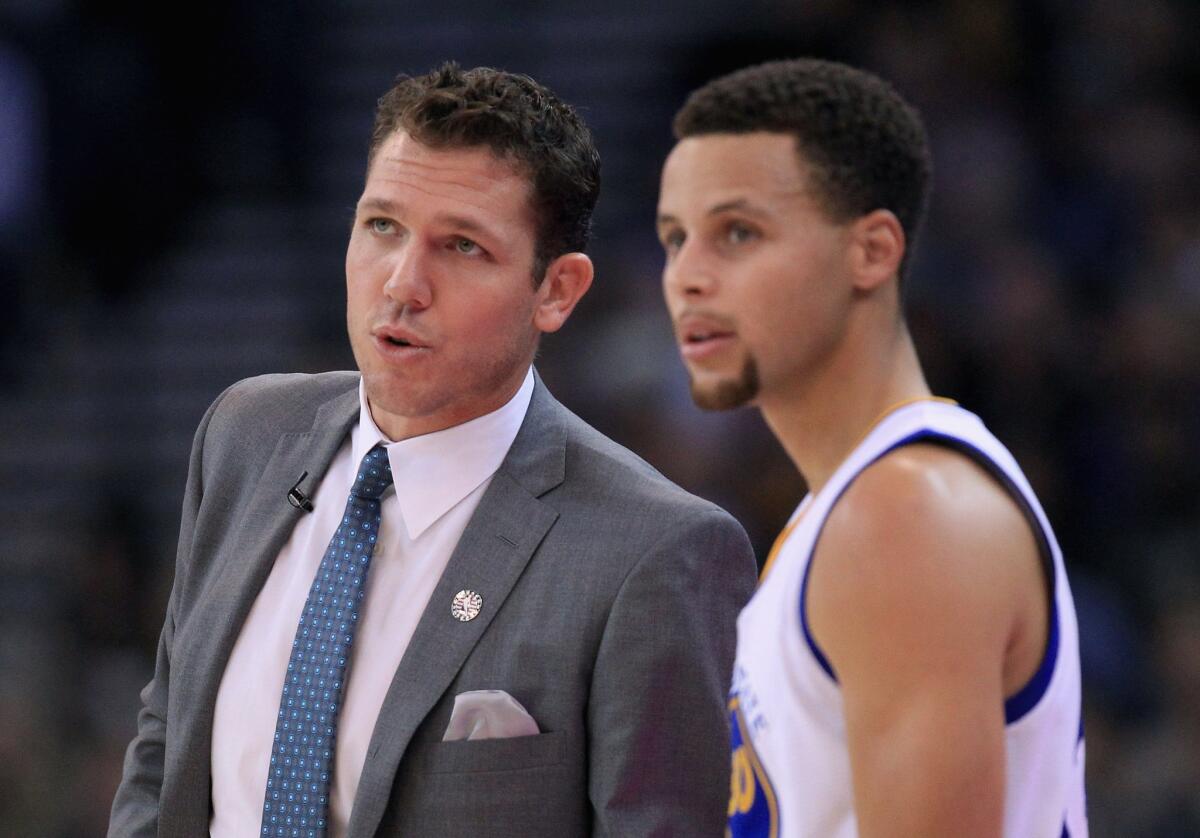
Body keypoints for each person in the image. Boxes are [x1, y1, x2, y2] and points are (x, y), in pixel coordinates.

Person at [109, 62, 756, 838]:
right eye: (382, 226)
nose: (404, 283)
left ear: (557, 291)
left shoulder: (651, 551)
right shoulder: (245, 435)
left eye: (462, 247)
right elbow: (166, 753)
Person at [657, 58, 1088, 837]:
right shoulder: (844, 512)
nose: (686, 275)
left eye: (737, 233)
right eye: (675, 238)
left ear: (872, 251)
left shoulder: (906, 516)